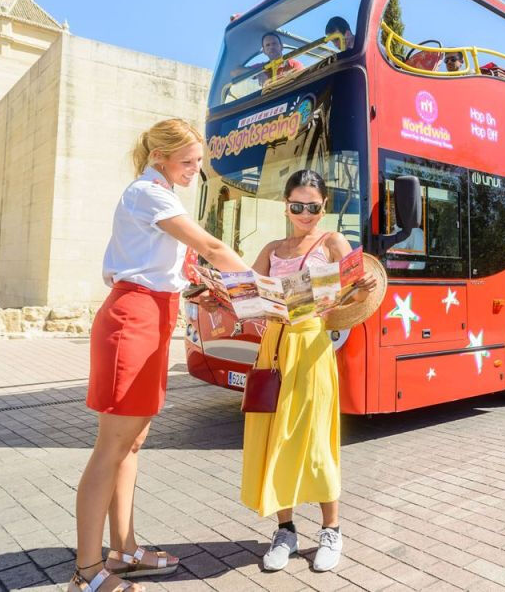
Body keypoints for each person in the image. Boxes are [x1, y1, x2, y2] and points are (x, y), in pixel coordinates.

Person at [69, 119, 251, 592]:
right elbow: (210, 246)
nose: (195, 170)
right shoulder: (148, 193)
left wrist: (204, 293)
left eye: (198, 161)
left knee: (132, 443)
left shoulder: (160, 195)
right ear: (159, 159)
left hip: (153, 316)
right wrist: (263, 291)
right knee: (110, 448)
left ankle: (123, 550)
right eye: (188, 161)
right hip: (133, 318)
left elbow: (169, 269)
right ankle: (86, 574)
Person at [241, 169, 377, 573]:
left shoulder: (332, 241)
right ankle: (285, 531)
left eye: (312, 207)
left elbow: (350, 295)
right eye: (297, 205)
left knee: (316, 440)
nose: (305, 213)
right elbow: (247, 295)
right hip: (275, 347)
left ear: (324, 207)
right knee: (276, 438)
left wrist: (360, 289)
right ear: (286, 206)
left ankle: (332, 529)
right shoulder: (270, 248)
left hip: (313, 347)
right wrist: (221, 295)